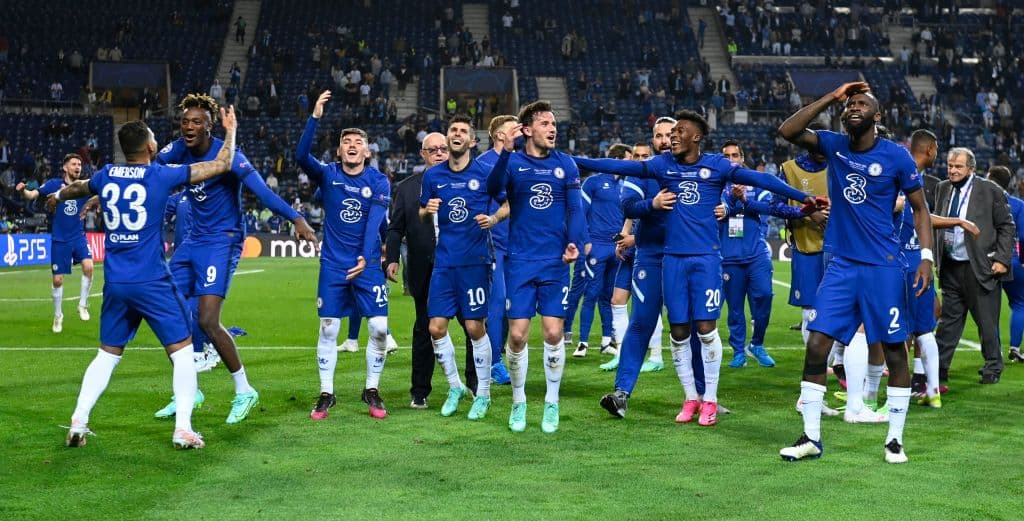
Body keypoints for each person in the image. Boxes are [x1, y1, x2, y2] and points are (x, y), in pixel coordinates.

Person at [575, 110, 819, 427]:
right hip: (652, 255)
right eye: (662, 135)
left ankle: (705, 397)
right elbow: (628, 206)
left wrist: (733, 206)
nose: (667, 138)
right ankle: (623, 392)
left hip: (697, 255)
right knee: (643, 323)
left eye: (673, 133)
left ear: (693, 136)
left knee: (698, 327)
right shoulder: (647, 170)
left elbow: (746, 187)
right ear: (653, 139)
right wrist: (651, 205)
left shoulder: (708, 166)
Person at [57, 109, 237, 449]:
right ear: (150, 147)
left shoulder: (106, 175)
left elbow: (79, 187)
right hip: (152, 280)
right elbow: (222, 164)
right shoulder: (160, 176)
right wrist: (230, 131)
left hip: (116, 283)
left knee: (107, 355)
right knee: (183, 353)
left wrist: (57, 196)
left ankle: (79, 419)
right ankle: (183, 428)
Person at [777, 82, 933, 464]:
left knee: (895, 350)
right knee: (816, 345)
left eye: (861, 103)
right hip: (841, 266)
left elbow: (920, 209)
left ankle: (894, 440)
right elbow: (789, 131)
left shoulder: (896, 157)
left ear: (877, 116)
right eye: (849, 105)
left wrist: (926, 257)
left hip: (882, 267)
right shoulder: (833, 144)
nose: (853, 107)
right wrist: (831, 96)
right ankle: (810, 437)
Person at [153, 94, 316, 424]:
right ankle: (188, 391)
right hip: (193, 240)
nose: (189, 126)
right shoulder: (176, 150)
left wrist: (295, 217)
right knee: (166, 309)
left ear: (209, 127)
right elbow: (149, 169)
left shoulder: (230, 155)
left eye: (197, 122)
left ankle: (244, 390)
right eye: (185, 121)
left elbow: (262, 191)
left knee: (207, 320)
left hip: (222, 241)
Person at [486, 100, 589, 433]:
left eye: (554, 123)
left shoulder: (566, 165)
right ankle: (519, 402)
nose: (552, 128)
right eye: (544, 123)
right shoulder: (513, 163)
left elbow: (575, 210)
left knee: (554, 331)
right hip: (520, 262)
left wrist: (574, 242)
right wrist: (505, 151)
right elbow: (492, 189)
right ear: (527, 129)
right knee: (516, 336)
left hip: (554, 262)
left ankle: (551, 402)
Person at [298, 91, 392, 419]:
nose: (352, 145)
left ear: (367, 151)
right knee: (328, 328)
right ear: (339, 150)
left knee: (379, 328)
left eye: (358, 142)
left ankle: (372, 388)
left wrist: (366, 257)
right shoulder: (329, 175)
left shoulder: (379, 181)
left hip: (365, 264)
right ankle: (327, 392)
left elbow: (374, 223)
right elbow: (300, 155)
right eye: (346, 141)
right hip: (333, 264)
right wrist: (315, 117)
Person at [420, 114, 508, 420]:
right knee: (435, 327)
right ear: (447, 138)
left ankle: (482, 394)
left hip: (475, 262)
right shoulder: (432, 176)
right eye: (452, 130)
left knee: (474, 327)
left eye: (463, 131)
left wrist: (494, 219)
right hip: (444, 262)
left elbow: (508, 204)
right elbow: (422, 211)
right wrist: (425, 209)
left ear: (472, 140)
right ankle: (455, 386)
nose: (456, 134)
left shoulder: (485, 173)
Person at [933, 148, 1016, 385]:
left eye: (958, 166)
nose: (953, 170)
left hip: (980, 265)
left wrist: (1002, 259)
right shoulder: (942, 188)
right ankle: (939, 368)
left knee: (987, 322)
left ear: (971, 168)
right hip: (951, 265)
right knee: (949, 322)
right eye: (950, 165)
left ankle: (993, 366)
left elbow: (1007, 226)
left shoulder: (990, 190)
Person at [599, 142, 665, 374]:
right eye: (636, 155)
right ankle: (621, 352)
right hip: (631, 250)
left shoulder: (658, 179)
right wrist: (624, 235)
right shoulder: (631, 180)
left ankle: (656, 356)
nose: (639, 159)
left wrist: (633, 239)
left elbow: (661, 224)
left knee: (648, 304)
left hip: (649, 249)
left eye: (644, 155)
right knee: (617, 300)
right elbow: (631, 212)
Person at [17, 154, 95, 333]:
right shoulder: (53, 184)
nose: (78, 167)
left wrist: (91, 203)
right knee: (58, 280)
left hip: (78, 236)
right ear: (65, 167)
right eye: (74, 164)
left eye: (80, 164)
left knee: (89, 267)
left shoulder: (83, 186)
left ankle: (83, 305)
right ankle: (58, 315)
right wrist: (23, 191)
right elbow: (32, 195)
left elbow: (97, 194)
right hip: (60, 239)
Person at [718, 141, 776, 369]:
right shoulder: (716, 183)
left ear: (742, 157)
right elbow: (716, 211)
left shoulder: (755, 181)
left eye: (735, 154)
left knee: (764, 295)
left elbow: (767, 207)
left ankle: (757, 343)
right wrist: (732, 199)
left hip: (756, 253)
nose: (731, 159)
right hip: (729, 255)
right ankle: (738, 351)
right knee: (734, 308)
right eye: (727, 156)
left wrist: (744, 200)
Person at [566, 143, 626, 358]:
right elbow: (580, 212)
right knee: (590, 294)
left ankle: (606, 341)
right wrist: (586, 240)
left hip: (617, 247)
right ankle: (582, 343)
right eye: (627, 160)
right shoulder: (593, 182)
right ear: (618, 161)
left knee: (609, 297)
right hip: (597, 246)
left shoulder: (626, 186)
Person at [474, 115, 522, 385]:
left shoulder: (524, 161)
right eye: (513, 130)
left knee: (517, 306)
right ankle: (493, 363)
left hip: (524, 245)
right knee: (497, 304)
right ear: (499, 136)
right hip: (495, 246)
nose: (519, 133)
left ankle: (503, 352)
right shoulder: (482, 166)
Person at [986, 166, 1024, 364]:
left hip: (986, 259)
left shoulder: (982, 201)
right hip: (1013, 259)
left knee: (989, 308)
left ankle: (994, 353)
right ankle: (1015, 347)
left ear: (990, 178)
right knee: (1020, 303)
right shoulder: (1018, 205)